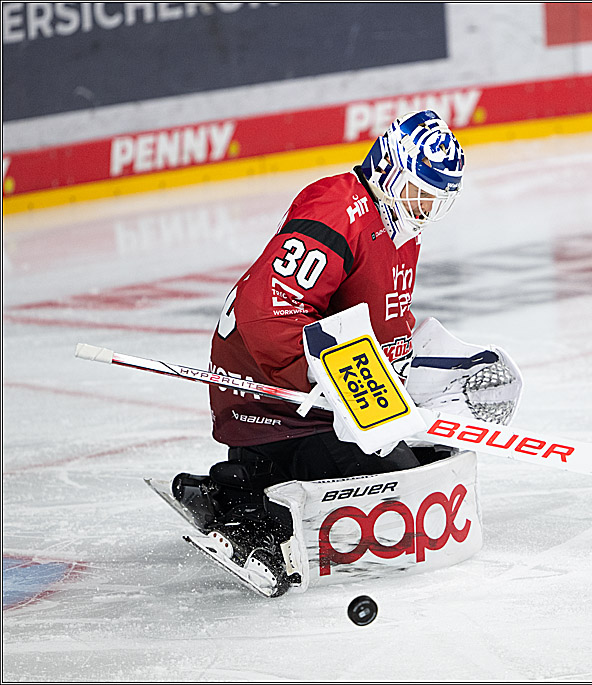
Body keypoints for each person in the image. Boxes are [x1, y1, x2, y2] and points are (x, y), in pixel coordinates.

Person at [171, 110, 466, 593]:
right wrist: (333, 388)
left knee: (428, 463)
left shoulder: (397, 225)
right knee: (404, 493)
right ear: (390, 168)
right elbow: (269, 313)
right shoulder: (337, 210)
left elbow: (377, 324)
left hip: (310, 398)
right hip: (269, 399)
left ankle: (251, 480)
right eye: (421, 192)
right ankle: (244, 495)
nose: (428, 208)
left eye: (439, 199)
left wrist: (408, 383)